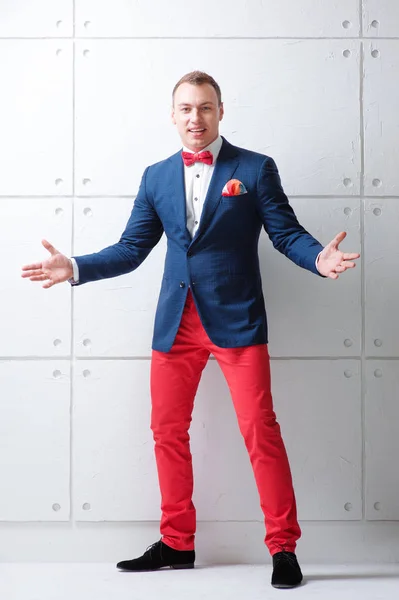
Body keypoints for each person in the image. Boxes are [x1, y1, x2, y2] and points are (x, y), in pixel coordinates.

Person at [22, 71, 360, 589]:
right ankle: (178, 544)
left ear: (221, 111)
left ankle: (283, 547)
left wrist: (319, 258)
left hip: (238, 320)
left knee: (260, 431)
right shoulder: (156, 176)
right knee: (166, 433)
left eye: (204, 108)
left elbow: (285, 232)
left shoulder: (254, 168)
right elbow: (131, 249)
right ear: (173, 115)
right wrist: (77, 265)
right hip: (176, 325)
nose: (195, 118)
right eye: (185, 109)